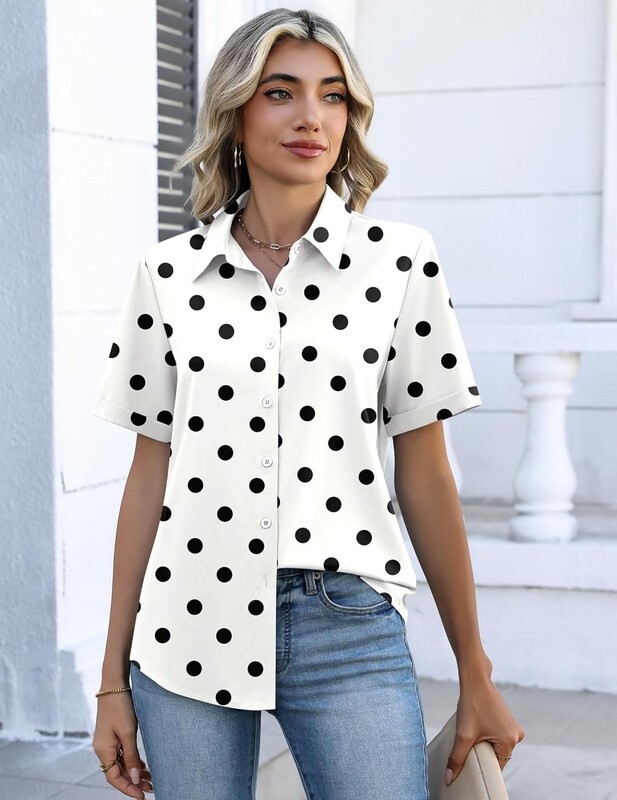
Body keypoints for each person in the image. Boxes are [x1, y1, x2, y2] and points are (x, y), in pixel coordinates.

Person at [91, 7, 525, 800]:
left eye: (332, 96)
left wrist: (475, 670)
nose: (310, 117)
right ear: (235, 113)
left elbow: (425, 475)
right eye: (280, 92)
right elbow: (148, 478)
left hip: (347, 621)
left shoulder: (400, 262)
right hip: (185, 617)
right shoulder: (167, 275)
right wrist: (111, 680)